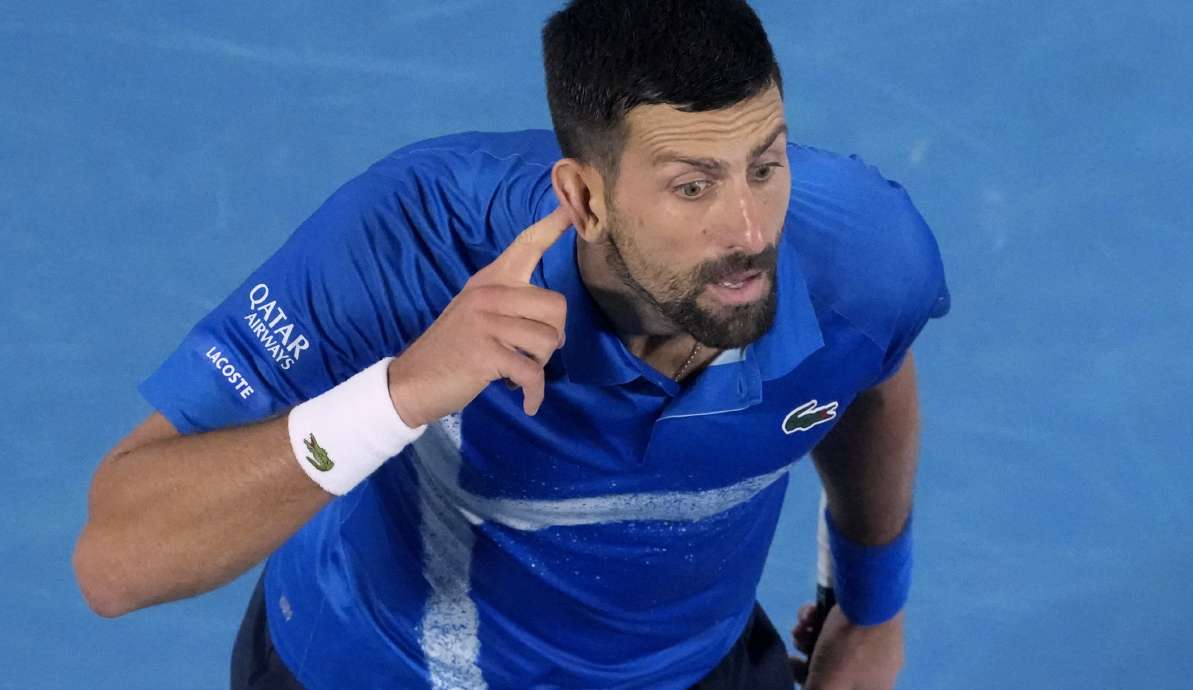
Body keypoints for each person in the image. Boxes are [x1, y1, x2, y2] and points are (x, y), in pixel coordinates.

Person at [72, 1, 950, 688]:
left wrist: (874, 611)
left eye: (766, 165)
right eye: (693, 186)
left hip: (689, 671)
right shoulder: (412, 243)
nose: (752, 231)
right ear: (587, 198)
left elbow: (869, 371)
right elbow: (115, 562)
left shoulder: (862, 256)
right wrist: (402, 392)